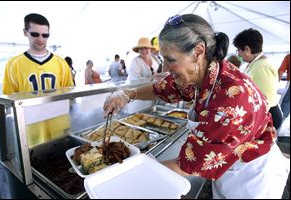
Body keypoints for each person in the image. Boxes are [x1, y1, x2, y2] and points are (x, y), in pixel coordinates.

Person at [103, 14, 289, 198]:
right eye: (163, 60)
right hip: (228, 167)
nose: (165, 68)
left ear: (199, 51)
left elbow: (186, 166)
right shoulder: (202, 73)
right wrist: (127, 94)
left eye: (171, 60)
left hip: (250, 177)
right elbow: (160, 88)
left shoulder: (230, 99)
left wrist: (124, 175)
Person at [2, 13, 74, 147]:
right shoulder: (13, 64)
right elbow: (9, 102)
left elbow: (69, 95)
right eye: (35, 34)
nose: (41, 39)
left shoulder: (61, 63)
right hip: (31, 129)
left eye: (45, 35)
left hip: (59, 126)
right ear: (25, 32)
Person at [233, 28, 283, 130]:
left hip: (267, 116)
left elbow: (264, 100)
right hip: (264, 115)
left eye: (238, 50)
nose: (238, 54)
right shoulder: (255, 64)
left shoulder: (261, 66)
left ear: (247, 49)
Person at [278, 53, 290, 119]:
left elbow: (281, 71)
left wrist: (276, 83)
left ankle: (280, 125)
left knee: (285, 102)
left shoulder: (288, 57)